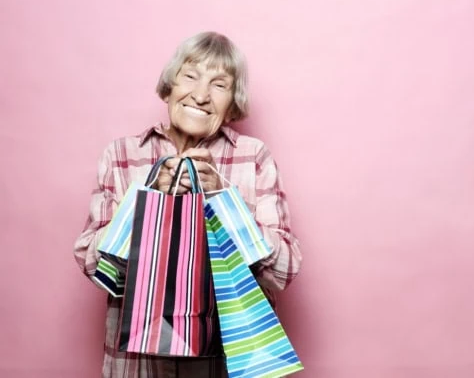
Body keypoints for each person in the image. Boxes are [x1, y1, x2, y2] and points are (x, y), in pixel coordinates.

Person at [73, 31, 302, 378]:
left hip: (223, 364)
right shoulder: (121, 155)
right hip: (136, 366)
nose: (200, 94)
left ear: (232, 101)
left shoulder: (253, 157)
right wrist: (147, 201)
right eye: (190, 76)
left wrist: (225, 204)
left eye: (219, 84)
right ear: (170, 85)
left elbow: (283, 271)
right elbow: (94, 268)